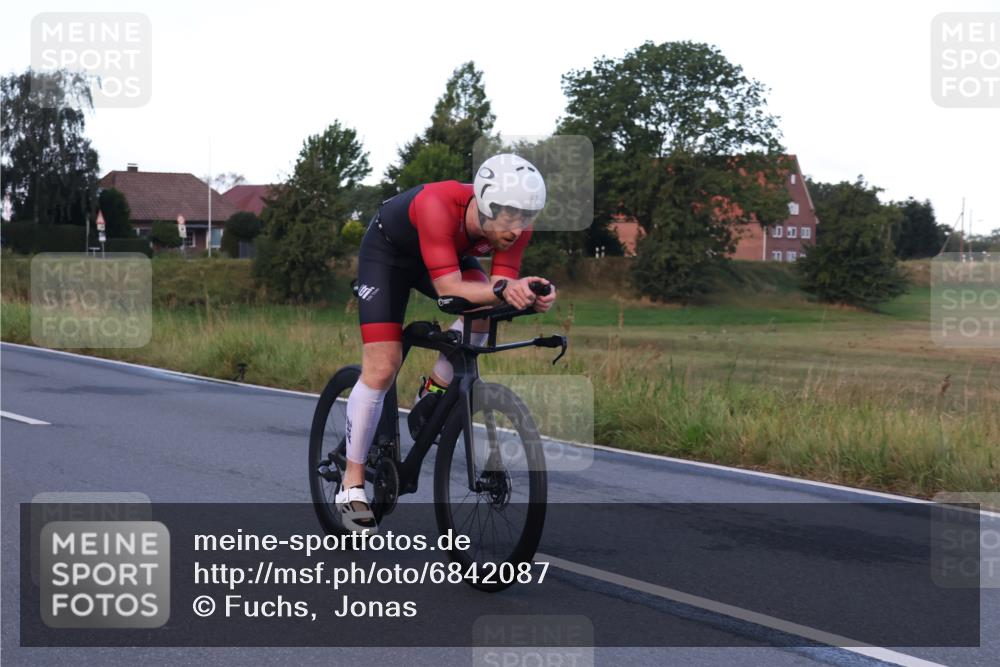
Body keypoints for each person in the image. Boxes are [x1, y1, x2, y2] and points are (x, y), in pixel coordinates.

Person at [336, 154, 557, 531]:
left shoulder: (515, 228)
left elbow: (497, 291)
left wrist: (530, 296)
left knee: (483, 315)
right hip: (390, 256)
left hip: (446, 257)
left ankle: (433, 391)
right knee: (383, 364)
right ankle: (351, 485)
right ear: (487, 203)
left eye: (526, 217)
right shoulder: (438, 204)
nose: (518, 229)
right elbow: (449, 289)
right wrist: (504, 289)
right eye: (510, 217)